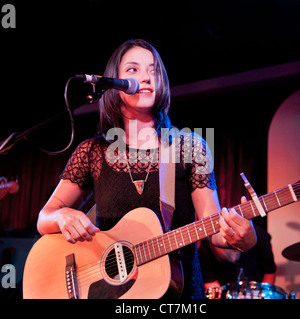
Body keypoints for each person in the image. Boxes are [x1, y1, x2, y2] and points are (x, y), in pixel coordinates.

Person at [36, 39, 257, 299]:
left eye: (153, 71)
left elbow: (212, 226)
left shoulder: (190, 147)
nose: (146, 77)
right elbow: (45, 218)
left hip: (179, 293)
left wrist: (238, 237)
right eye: (133, 70)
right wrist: (62, 217)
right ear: (112, 82)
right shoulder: (91, 151)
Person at [199, 223, 276, 297]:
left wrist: (263, 295)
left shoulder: (259, 234)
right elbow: (212, 285)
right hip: (225, 293)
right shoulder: (206, 247)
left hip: (257, 291)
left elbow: (269, 271)